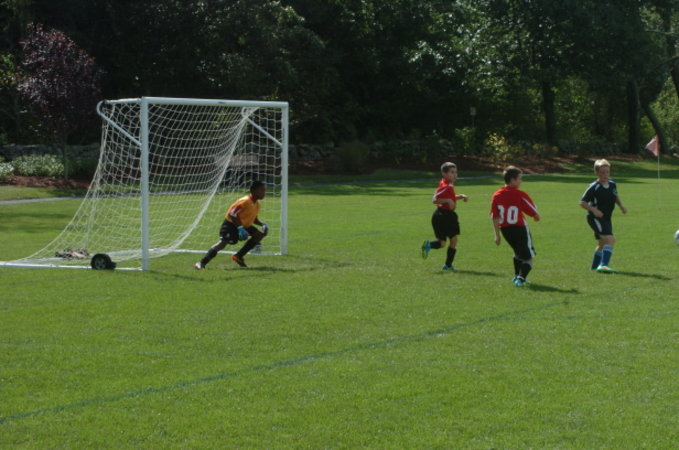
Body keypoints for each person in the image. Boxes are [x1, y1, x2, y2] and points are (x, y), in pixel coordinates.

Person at [194, 181, 268, 269]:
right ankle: (201, 263)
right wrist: (240, 228)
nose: (264, 193)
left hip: (243, 226)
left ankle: (238, 256)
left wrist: (262, 224)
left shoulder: (257, 205)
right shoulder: (245, 201)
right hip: (231, 224)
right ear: (254, 191)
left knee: (258, 235)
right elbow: (232, 214)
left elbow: (253, 219)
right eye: (262, 190)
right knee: (222, 244)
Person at [490, 166, 540, 286]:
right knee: (528, 257)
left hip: (505, 230)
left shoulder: (496, 195)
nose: (521, 181)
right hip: (520, 228)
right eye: (519, 179)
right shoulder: (519, 194)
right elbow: (532, 209)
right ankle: (520, 279)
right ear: (512, 180)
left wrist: (497, 235)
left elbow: (495, 217)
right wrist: (535, 215)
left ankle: (516, 275)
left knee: (517, 252)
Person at [579, 159, 627, 273]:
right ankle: (604, 265)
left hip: (606, 218)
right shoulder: (594, 187)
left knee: (602, 243)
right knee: (610, 239)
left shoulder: (612, 184)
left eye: (607, 172)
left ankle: (594, 267)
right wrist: (594, 210)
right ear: (596, 173)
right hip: (595, 218)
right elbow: (582, 202)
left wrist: (621, 206)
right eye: (602, 172)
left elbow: (615, 195)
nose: (605, 175)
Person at [421, 162, 469, 270]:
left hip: (440, 216)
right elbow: (434, 199)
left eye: (455, 172)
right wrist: (448, 200)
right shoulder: (446, 185)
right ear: (444, 173)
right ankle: (448, 265)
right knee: (453, 240)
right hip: (445, 216)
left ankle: (429, 245)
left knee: (442, 243)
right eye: (452, 172)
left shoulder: (447, 184)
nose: (455, 175)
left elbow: (448, 197)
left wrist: (460, 196)